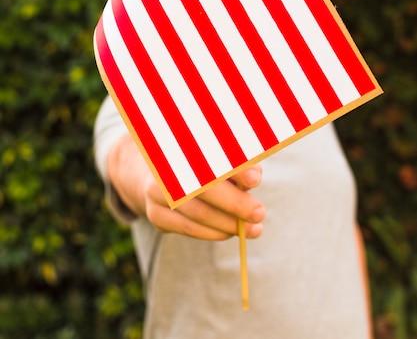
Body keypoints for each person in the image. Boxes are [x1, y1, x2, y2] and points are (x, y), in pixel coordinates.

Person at [94, 95, 373, 339]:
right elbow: (125, 159)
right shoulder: (145, 90)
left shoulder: (303, 93)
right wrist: (152, 178)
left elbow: (339, 228)